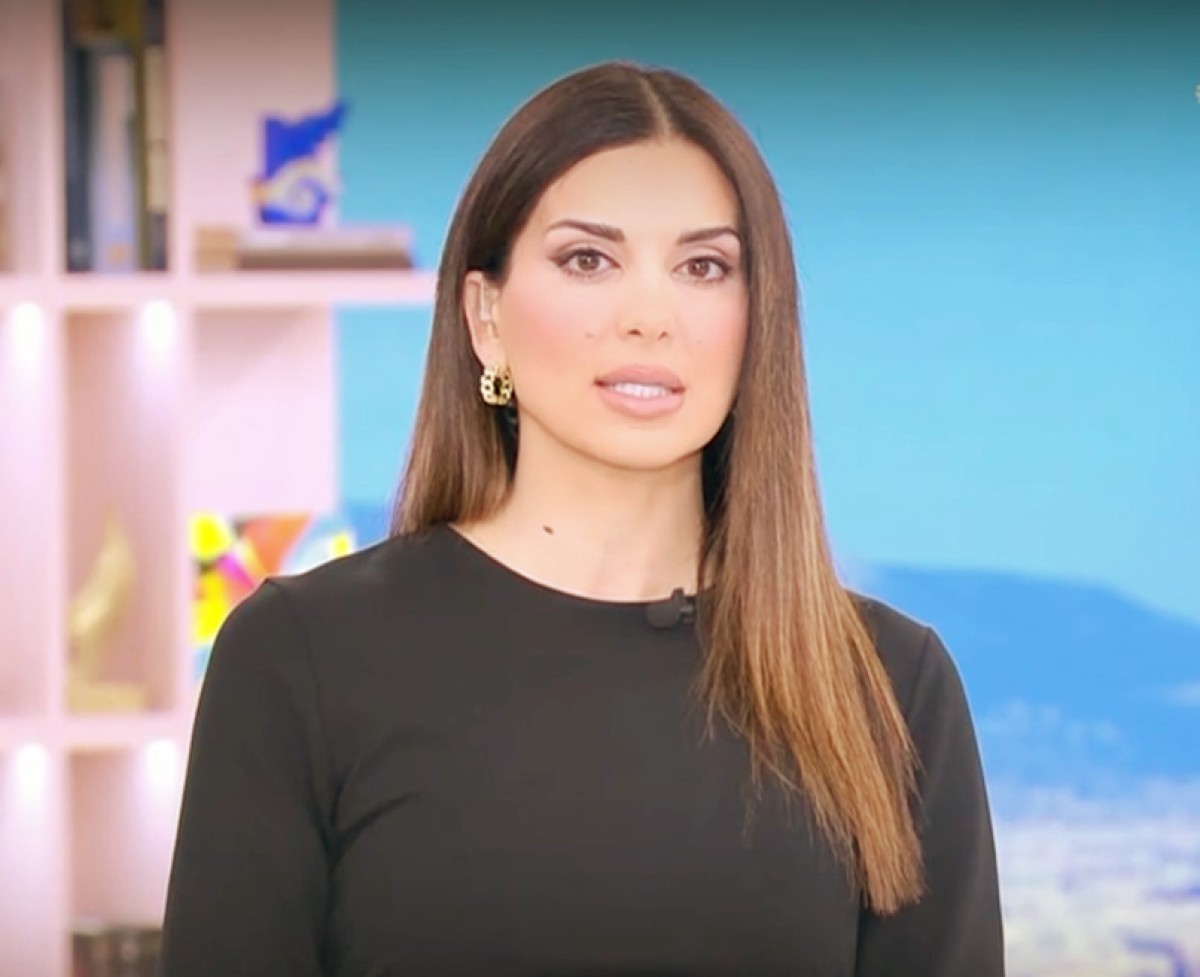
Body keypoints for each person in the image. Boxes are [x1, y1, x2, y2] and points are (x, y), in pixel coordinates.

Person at [159, 60, 1005, 976]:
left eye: (703, 267)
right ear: (485, 316)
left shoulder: (890, 687)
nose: (650, 316)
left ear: (757, 319)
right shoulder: (300, 658)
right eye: (588, 260)